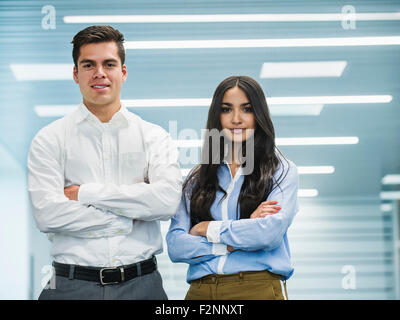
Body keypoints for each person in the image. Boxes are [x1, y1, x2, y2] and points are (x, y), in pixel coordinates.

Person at [27, 25, 182, 300]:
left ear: (123, 72)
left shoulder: (154, 137)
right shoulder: (49, 139)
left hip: (142, 286)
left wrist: (85, 194)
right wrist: (129, 215)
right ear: (76, 74)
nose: (99, 73)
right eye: (89, 65)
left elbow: (167, 201)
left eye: (109, 64)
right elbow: (48, 215)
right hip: (70, 286)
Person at [166, 76, 299, 300]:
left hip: (256, 288)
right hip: (201, 291)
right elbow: (176, 246)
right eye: (227, 109)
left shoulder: (281, 170)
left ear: (259, 115)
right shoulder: (197, 178)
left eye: (246, 109)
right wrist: (233, 239)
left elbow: (268, 234)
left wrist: (206, 228)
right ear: (216, 117)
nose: (236, 119)